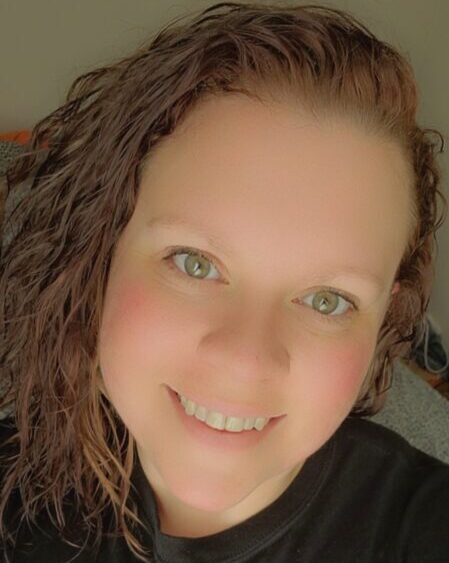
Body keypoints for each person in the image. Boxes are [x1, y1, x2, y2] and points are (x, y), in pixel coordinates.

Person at [0, 2, 448, 562]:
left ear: (384, 317)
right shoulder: (16, 485)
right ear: (102, 248)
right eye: (195, 262)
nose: (245, 360)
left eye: (327, 300)